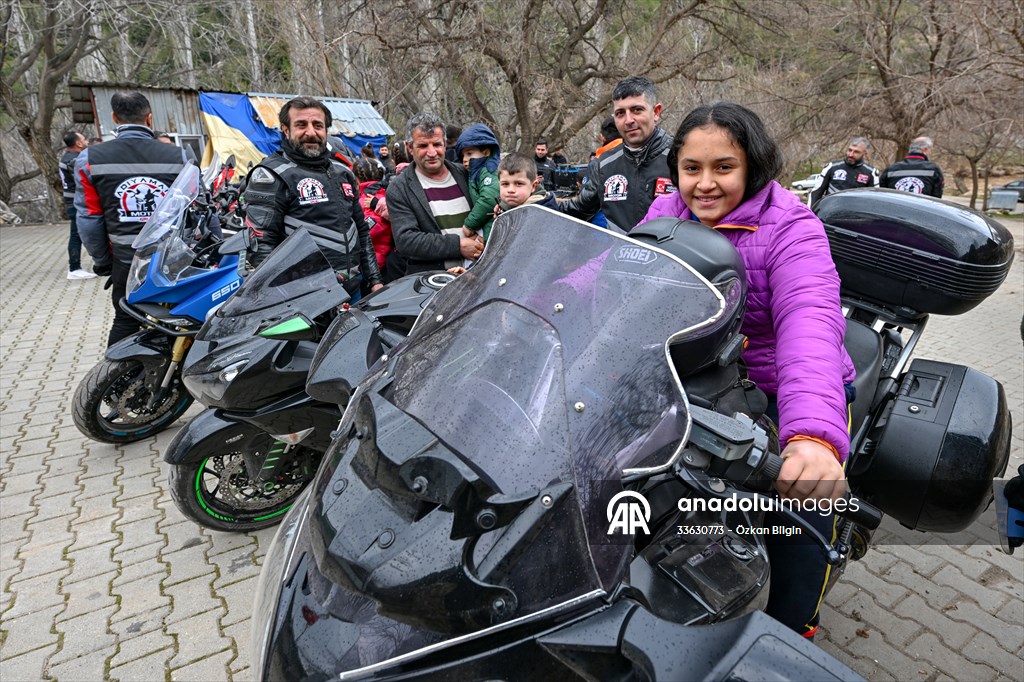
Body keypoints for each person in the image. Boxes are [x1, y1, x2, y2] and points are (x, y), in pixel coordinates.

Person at [640, 101, 855, 640]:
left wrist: (811, 439)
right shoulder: (665, 213)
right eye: (691, 168)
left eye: (724, 167)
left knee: (798, 515)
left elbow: (810, 323)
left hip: (783, 390)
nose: (704, 184)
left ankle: (793, 630)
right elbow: (608, 269)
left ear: (753, 166)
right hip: (691, 382)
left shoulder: (792, 227)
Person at [75, 91, 192, 347]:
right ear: (149, 118)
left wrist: (102, 261)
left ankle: (114, 372)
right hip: (171, 261)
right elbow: (195, 208)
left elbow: (89, 220)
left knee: (125, 319)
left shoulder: (89, 159)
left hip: (126, 259)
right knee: (178, 319)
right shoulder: (180, 157)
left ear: (115, 118)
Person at [243, 96, 383, 298]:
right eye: (301, 125)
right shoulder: (271, 175)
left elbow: (361, 231)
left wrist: (375, 281)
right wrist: (283, 297)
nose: (311, 132)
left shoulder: (343, 173)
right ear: (286, 129)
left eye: (318, 125)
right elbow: (261, 247)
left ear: (326, 130)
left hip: (353, 290)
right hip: (305, 300)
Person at [558, 76, 675, 231]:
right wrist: (539, 203)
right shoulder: (604, 163)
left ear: (656, 112)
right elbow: (579, 208)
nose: (628, 120)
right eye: (620, 113)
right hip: (618, 247)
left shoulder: (681, 158)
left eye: (637, 110)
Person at [386, 113, 481, 276]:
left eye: (437, 144)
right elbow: (406, 240)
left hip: (480, 275)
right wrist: (457, 246)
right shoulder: (400, 188)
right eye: (423, 146)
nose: (432, 152)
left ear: (445, 143)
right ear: (409, 147)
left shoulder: (467, 174)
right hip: (433, 282)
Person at [58, 131, 96, 280]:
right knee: (76, 235)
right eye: (84, 139)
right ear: (78, 143)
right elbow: (84, 179)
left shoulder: (68, 157)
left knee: (77, 234)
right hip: (76, 201)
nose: (87, 142)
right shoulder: (74, 160)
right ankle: (74, 268)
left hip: (73, 200)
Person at [455, 124, 501, 243]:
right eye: (463, 155)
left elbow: (489, 198)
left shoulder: (489, 170)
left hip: (494, 229)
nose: (464, 159)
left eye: (469, 154)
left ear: (486, 152)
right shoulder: (476, 172)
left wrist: (470, 224)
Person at [808, 137, 879, 207]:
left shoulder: (871, 173)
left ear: (865, 154)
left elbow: (875, 199)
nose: (850, 154)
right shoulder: (831, 167)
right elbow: (816, 192)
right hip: (831, 210)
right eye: (850, 150)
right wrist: (809, 212)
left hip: (856, 211)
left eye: (856, 152)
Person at [352, 158, 393, 278]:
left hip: (375, 261)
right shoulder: (386, 192)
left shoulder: (367, 199)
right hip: (381, 256)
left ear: (356, 178)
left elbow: (373, 228)